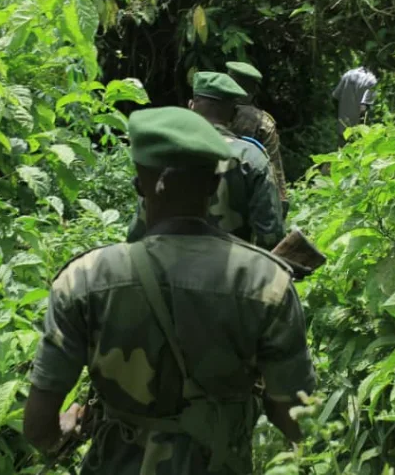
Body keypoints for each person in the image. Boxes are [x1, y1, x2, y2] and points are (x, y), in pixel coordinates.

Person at [23, 106, 317, 474]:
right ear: (213, 185)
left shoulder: (84, 279)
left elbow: (38, 427)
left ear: (137, 186)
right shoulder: (266, 282)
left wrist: (65, 428)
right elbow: (298, 421)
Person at [127, 72, 285, 250]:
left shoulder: (168, 151)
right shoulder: (252, 157)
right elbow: (270, 234)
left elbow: (137, 232)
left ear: (191, 106)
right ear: (234, 114)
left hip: (163, 267)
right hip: (229, 269)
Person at [225, 61, 288, 218]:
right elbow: (274, 170)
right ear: (253, 90)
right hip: (247, 197)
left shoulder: (209, 110)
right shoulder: (263, 122)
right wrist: (281, 204)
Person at [332, 66, 377, 147]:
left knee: (341, 152)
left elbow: (335, 97)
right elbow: (364, 108)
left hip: (343, 123)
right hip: (358, 130)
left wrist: (338, 117)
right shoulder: (372, 81)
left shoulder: (348, 74)